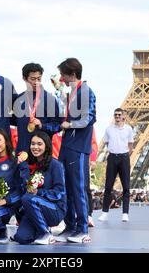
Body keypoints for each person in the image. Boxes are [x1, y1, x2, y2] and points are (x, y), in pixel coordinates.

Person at [56, 58, 96, 244]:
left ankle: (82, 229)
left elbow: (88, 119)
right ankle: (70, 226)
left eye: (63, 74)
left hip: (78, 147)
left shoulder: (87, 92)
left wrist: (69, 124)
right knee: (68, 189)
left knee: (78, 188)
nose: (61, 78)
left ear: (72, 74)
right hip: (67, 146)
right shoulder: (72, 92)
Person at [13, 131, 66, 245]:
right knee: (21, 238)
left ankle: (46, 234)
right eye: (33, 144)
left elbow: (60, 193)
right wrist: (23, 168)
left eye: (39, 144)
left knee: (29, 198)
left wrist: (39, 192)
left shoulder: (55, 165)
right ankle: (39, 229)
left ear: (46, 146)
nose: (35, 147)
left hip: (54, 208)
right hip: (33, 208)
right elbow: (26, 188)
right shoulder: (29, 165)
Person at [12, 63, 62, 153]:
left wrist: (42, 125)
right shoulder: (19, 99)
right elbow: (16, 121)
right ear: (24, 78)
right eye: (33, 79)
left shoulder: (49, 99)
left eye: (39, 79)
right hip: (22, 152)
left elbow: (58, 125)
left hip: (41, 153)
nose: (36, 82)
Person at [98, 108, 134, 223]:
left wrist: (124, 155)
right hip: (112, 157)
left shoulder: (128, 129)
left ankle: (125, 213)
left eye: (119, 115)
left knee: (126, 187)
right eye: (115, 115)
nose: (117, 116)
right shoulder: (109, 129)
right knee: (108, 186)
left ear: (123, 116)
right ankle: (104, 213)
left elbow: (131, 146)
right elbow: (107, 143)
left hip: (124, 157)